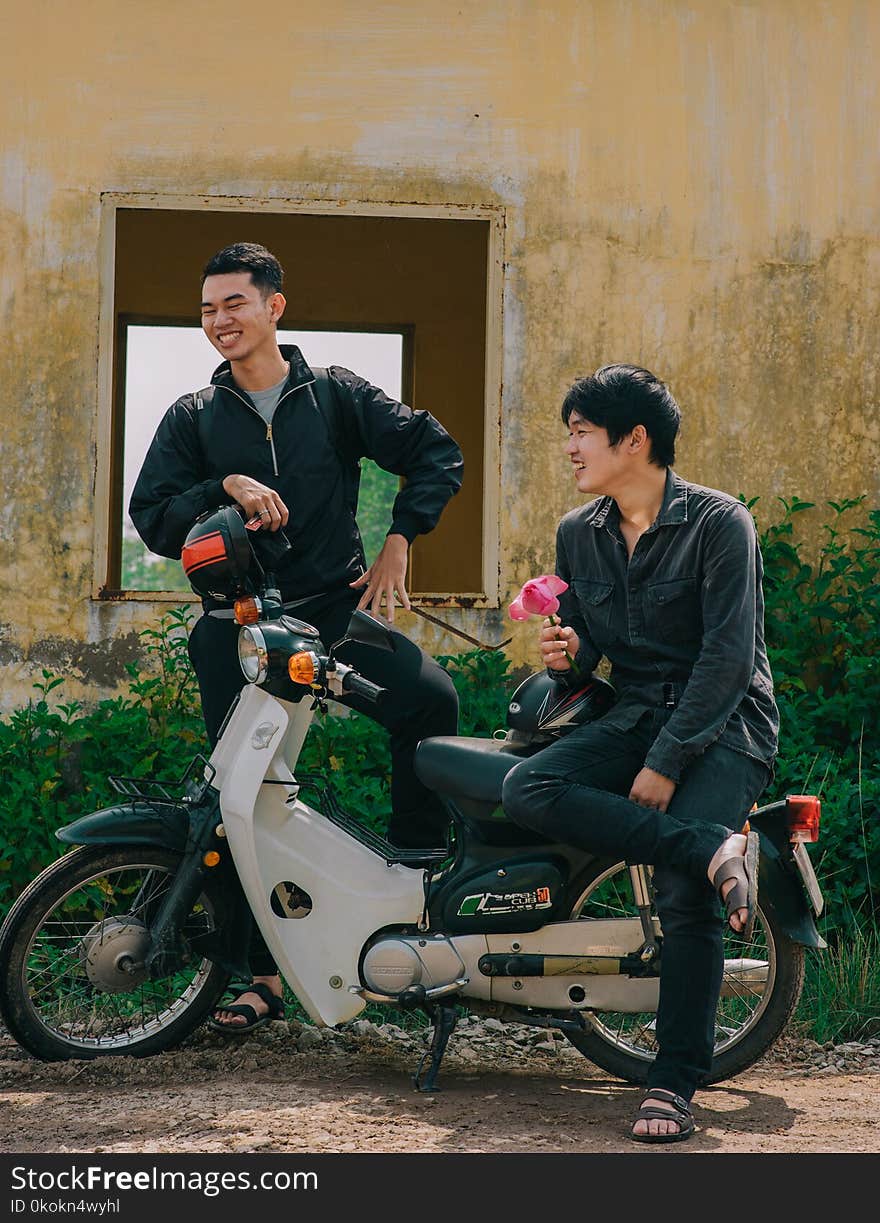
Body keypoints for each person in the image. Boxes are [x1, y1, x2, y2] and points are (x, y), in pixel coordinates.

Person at [129, 241, 464, 1031]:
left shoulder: (337, 396)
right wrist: (223, 486)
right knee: (240, 798)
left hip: (335, 613)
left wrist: (400, 539)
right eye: (208, 309)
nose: (219, 321)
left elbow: (434, 454)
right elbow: (153, 516)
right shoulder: (195, 417)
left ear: (274, 307)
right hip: (238, 628)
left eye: (234, 304)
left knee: (431, 704)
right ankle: (259, 975)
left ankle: (419, 898)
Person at [501, 364, 779, 1143]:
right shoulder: (576, 531)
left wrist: (666, 761)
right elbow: (595, 655)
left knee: (683, 896)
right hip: (633, 712)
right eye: (571, 433)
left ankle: (673, 1078)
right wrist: (568, 653)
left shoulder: (722, 524)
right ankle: (711, 846)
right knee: (529, 788)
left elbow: (728, 662)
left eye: (582, 432)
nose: (571, 448)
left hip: (725, 724)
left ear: (636, 439)